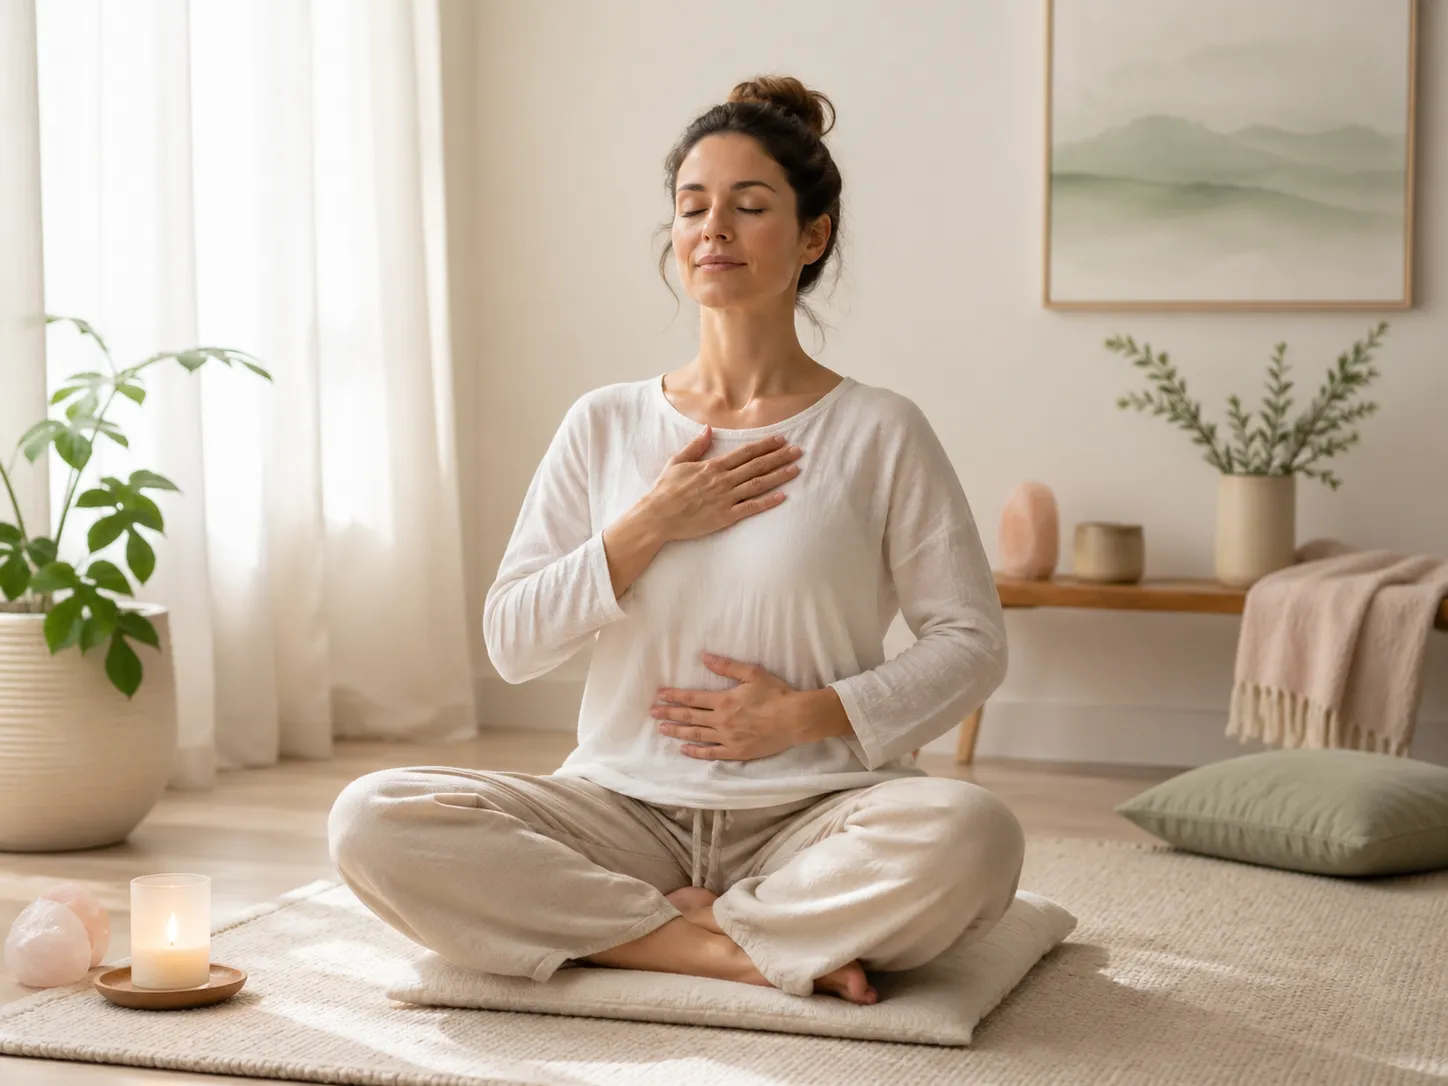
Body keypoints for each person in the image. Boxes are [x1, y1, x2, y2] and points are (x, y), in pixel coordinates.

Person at [328, 75, 1022, 1006]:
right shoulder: (605, 423)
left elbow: (971, 645)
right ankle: (722, 946)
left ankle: (633, 925)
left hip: (813, 813)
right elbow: (513, 640)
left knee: (974, 837)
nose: (713, 229)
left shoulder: (879, 430)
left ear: (813, 237)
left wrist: (807, 715)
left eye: (749, 205)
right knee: (372, 818)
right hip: (622, 807)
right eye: (693, 206)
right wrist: (651, 523)